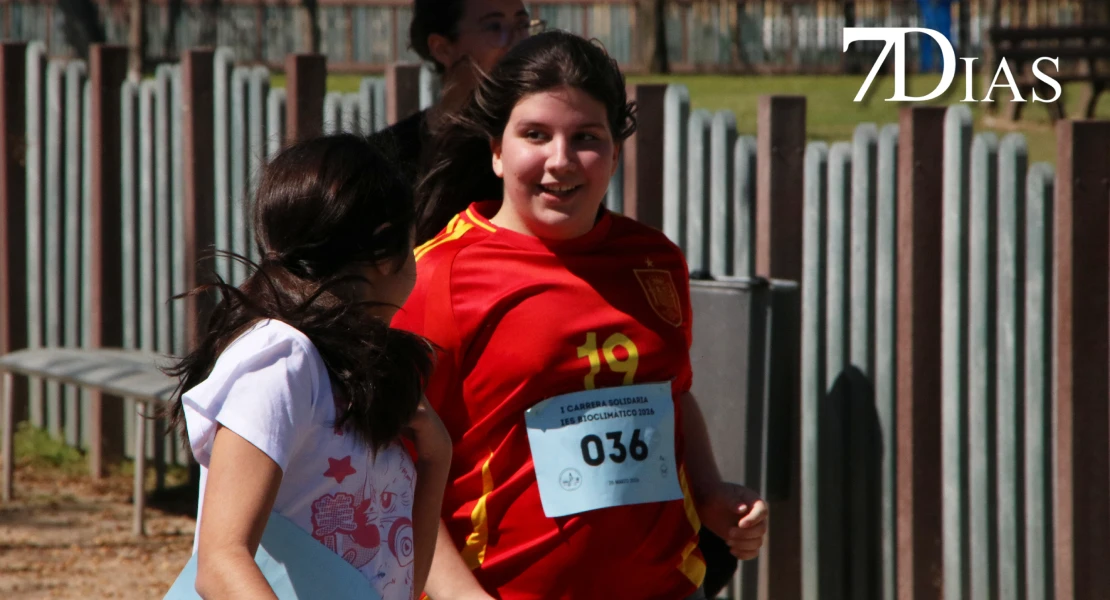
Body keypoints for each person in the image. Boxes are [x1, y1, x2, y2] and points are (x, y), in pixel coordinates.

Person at [393, 31, 769, 600]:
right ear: (496, 150)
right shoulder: (437, 277)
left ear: (615, 152)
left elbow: (673, 394)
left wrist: (713, 494)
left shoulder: (655, 259)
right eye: (535, 135)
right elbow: (396, 461)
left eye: (586, 137)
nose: (560, 161)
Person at [164, 134, 451, 600]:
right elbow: (220, 563)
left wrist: (438, 457)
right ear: (384, 251)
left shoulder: (356, 367)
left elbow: (399, 581)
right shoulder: (282, 359)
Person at [370, 0, 543, 213]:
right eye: (494, 27)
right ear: (442, 49)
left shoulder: (539, 146)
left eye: (522, 25)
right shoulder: (385, 159)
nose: (517, 42)